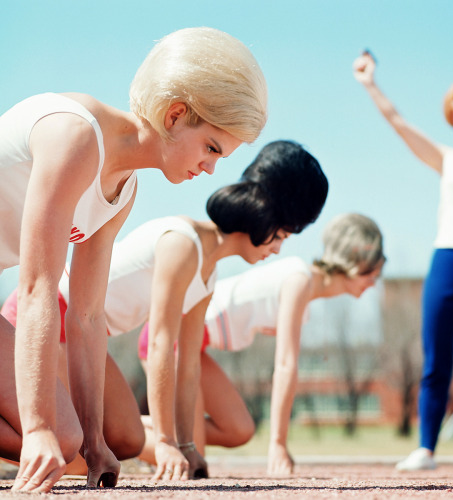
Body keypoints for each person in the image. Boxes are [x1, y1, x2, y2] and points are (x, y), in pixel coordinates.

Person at [0, 26, 267, 492]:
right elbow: (37, 285)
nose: (211, 169)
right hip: (31, 290)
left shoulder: (123, 190)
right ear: (176, 114)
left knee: (92, 440)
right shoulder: (75, 135)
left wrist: (96, 440)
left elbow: (85, 316)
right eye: (211, 148)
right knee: (54, 437)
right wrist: (37, 428)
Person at [2, 140, 328, 481]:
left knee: (127, 440)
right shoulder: (183, 242)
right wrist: (165, 441)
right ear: (263, 217)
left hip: (80, 334)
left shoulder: (209, 272)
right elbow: (158, 345)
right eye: (282, 236)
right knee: (73, 452)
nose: (278, 249)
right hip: (47, 318)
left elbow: (186, 363)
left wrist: (185, 444)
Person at [139, 213, 384, 476]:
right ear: (354, 261)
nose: (374, 282)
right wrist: (277, 444)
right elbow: (285, 365)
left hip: (193, 348)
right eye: (372, 273)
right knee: (190, 463)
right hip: (173, 337)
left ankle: (148, 426)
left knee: (239, 430)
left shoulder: (304, 297)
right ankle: (122, 429)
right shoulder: (298, 279)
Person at [353, 51, 453, 471]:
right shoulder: (447, 159)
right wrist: (369, 83)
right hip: (449, 265)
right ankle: (426, 449)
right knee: (437, 359)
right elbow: (399, 123)